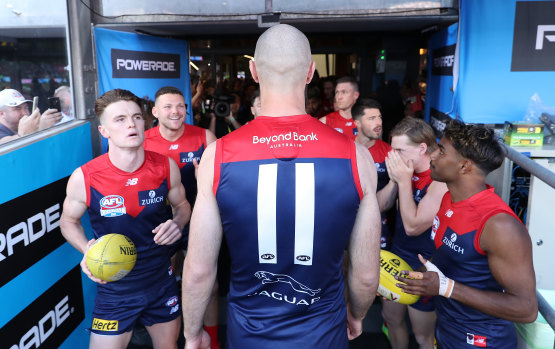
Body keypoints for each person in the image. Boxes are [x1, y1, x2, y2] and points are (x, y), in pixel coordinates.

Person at [182, 24, 381, 349]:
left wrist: (192, 333)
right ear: (311, 72)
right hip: (324, 333)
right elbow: (365, 274)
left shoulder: (218, 155)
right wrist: (357, 314)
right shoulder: (356, 156)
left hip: (250, 335)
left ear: (254, 71)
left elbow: (200, 269)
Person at [60, 88, 191, 349]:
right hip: (115, 286)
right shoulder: (85, 176)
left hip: (160, 280)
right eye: (120, 119)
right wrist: (89, 249)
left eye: (136, 117)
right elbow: (67, 221)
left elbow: (183, 206)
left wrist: (178, 223)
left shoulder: (166, 167)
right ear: (104, 131)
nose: (131, 124)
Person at [398, 120, 538, 348]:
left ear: (464, 166)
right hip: (446, 330)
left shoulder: (499, 225)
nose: (432, 156)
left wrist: (445, 287)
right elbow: (449, 262)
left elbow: (526, 308)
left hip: (484, 340)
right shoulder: (447, 199)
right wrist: (410, 281)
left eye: (441, 151)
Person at [143, 86, 220, 349]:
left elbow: (222, 181)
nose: (175, 112)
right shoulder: (143, 140)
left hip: (199, 219)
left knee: (209, 285)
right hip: (157, 224)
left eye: (180, 106)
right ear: (155, 112)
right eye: (168, 106)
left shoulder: (205, 137)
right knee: (164, 283)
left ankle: (212, 340)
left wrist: (206, 181)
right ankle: (172, 338)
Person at [382, 117, 448, 349]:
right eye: (392, 149)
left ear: (422, 148)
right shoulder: (405, 172)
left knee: (422, 335)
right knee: (391, 319)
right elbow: (381, 206)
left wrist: (403, 182)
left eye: (400, 150)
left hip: (425, 264)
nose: (394, 155)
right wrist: (394, 180)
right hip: (398, 255)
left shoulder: (439, 178)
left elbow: (413, 226)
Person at [352, 98, 396, 249]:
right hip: (347, 219)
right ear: (357, 123)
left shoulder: (389, 152)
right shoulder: (344, 148)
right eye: (371, 118)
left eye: (380, 117)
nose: (378, 123)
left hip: (379, 222)